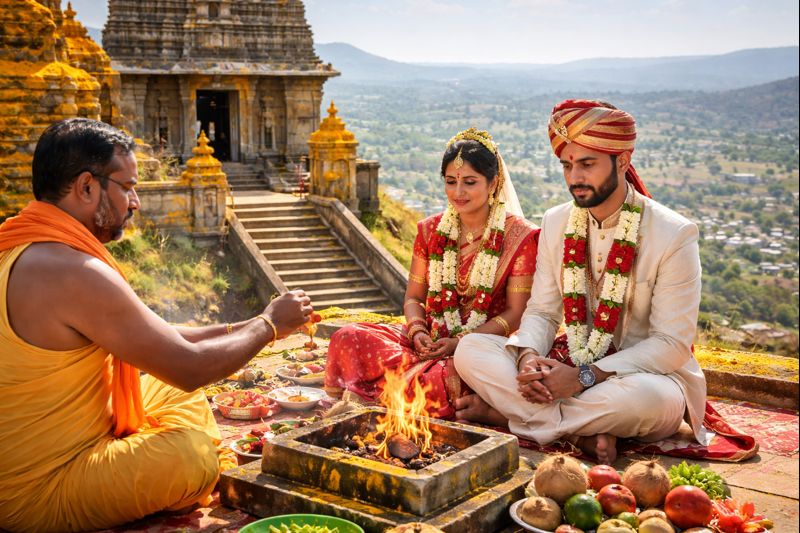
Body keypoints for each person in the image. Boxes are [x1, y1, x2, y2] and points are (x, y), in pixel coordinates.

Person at [0, 118, 314, 531]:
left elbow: (160, 335)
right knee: (193, 456)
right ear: (87, 187)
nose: (135, 202)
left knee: (162, 388)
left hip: (35, 453)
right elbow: (189, 367)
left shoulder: (23, 245)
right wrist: (270, 326)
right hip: (39, 489)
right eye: (127, 187)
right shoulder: (71, 271)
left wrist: (250, 323)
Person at [454, 100, 707, 465]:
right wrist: (527, 359)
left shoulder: (673, 233)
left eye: (587, 164)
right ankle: (575, 432)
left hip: (641, 378)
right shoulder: (557, 221)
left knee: (650, 401)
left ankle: (508, 417)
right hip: (566, 366)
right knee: (471, 349)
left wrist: (585, 377)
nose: (574, 177)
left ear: (622, 161)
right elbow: (542, 311)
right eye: (567, 165)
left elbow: (672, 344)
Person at [324, 127, 540, 418]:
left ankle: (380, 395)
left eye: (470, 182)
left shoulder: (521, 237)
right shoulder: (430, 230)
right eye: (451, 182)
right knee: (346, 337)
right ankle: (395, 394)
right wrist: (417, 331)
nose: (458, 192)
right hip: (429, 340)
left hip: (479, 350)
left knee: (440, 382)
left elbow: (516, 314)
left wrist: (461, 342)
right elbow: (414, 297)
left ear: (493, 183)